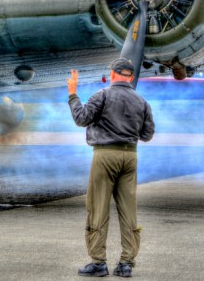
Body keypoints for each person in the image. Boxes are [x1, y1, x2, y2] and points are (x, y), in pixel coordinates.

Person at [67, 58, 155, 278]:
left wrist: (73, 94)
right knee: (128, 211)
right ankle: (126, 263)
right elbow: (147, 135)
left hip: (105, 155)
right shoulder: (142, 101)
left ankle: (98, 262)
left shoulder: (102, 95)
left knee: (98, 208)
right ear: (131, 77)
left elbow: (81, 118)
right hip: (130, 156)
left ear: (113, 74)